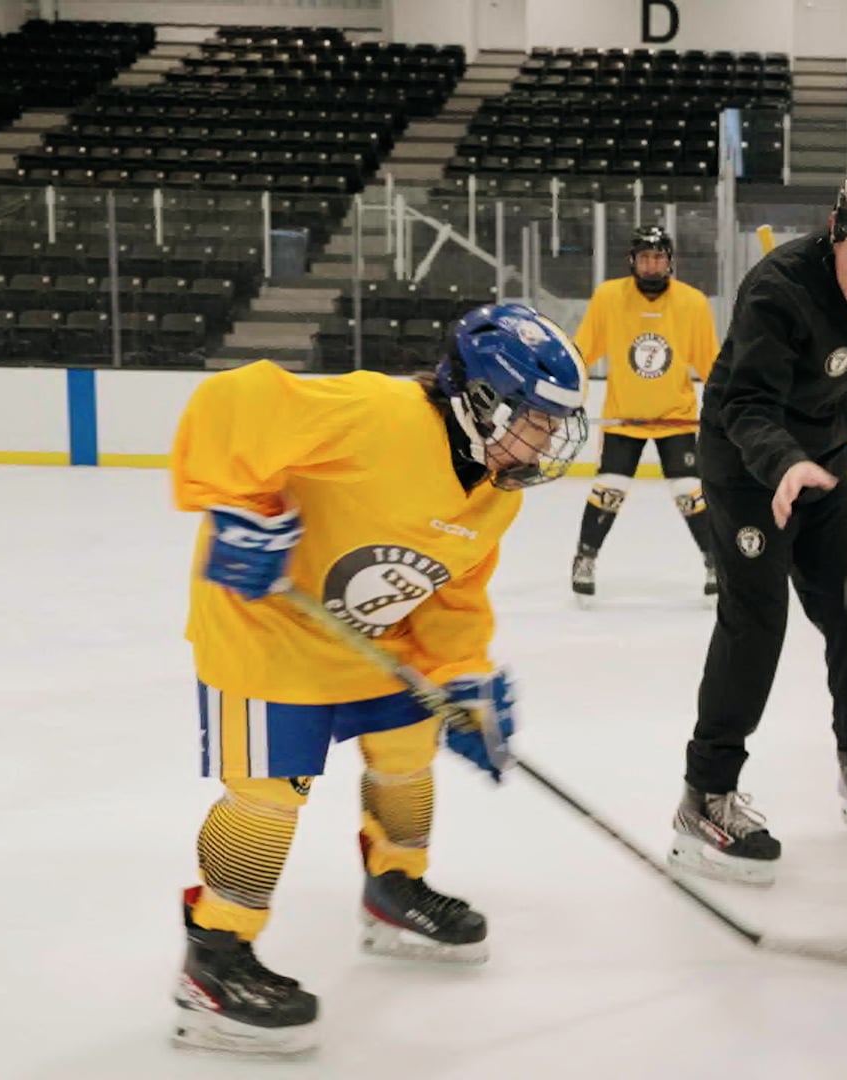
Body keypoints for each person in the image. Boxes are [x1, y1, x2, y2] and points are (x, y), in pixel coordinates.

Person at [168, 303, 588, 1056]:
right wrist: (238, 508)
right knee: (267, 796)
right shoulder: (376, 415)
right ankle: (214, 957)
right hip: (267, 631)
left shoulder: (495, 494)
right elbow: (232, 404)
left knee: (407, 752)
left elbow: (455, 594)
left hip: (371, 639)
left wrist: (462, 679)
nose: (550, 438)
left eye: (557, 423)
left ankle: (394, 886)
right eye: (538, 418)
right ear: (484, 401)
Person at [667, 155, 847, 886]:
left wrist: (839, 450)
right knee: (757, 620)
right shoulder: (781, 289)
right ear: (835, 228)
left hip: (822, 469)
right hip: (750, 465)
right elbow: (742, 405)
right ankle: (706, 796)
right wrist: (783, 462)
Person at [568, 226, 722, 603]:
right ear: (632, 261)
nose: (651, 265)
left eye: (658, 257)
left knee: (690, 491)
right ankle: (585, 558)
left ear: (670, 261)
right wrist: (556, 387)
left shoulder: (693, 302)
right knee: (609, 489)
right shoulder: (608, 297)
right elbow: (582, 351)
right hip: (625, 417)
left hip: (676, 417)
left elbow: (710, 362)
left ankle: (715, 561)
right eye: (644, 257)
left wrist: (732, 402)